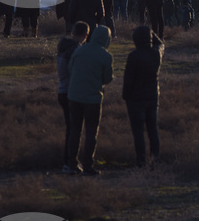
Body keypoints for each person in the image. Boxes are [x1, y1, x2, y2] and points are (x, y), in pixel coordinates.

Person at [66, 25, 114, 175]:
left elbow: (70, 69)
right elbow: (107, 78)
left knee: (75, 131)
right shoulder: (105, 56)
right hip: (93, 98)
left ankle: (72, 163)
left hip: (74, 96)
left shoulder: (79, 50)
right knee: (91, 133)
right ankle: (88, 165)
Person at [123, 26, 164, 168]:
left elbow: (128, 80)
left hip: (136, 98)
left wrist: (125, 96)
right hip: (153, 96)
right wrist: (151, 32)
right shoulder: (156, 53)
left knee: (138, 132)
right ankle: (155, 159)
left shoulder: (134, 56)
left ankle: (141, 161)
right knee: (153, 130)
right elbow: (161, 44)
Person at [58, 22, 90, 174]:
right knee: (74, 130)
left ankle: (68, 162)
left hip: (63, 90)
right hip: (73, 92)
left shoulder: (64, 47)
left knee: (71, 129)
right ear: (85, 35)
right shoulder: (75, 51)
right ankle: (70, 162)